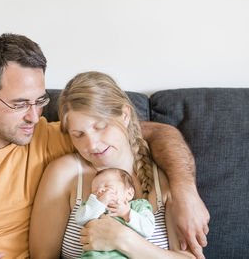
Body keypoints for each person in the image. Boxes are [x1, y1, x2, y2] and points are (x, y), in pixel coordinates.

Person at [0, 34, 208, 259]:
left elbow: (151, 133)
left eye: (40, 100)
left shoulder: (57, 136)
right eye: (19, 104)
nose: (33, 116)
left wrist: (185, 190)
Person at [29, 71, 207, 259]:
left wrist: (124, 240)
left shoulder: (165, 175)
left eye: (100, 127)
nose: (92, 145)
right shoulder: (64, 174)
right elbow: (41, 257)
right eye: (79, 135)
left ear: (124, 114)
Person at [75, 167, 155, 258]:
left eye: (108, 187)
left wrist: (127, 213)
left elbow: (148, 229)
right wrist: (98, 203)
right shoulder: (92, 205)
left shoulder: (137, 206)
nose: (100, 191)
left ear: (129, 193)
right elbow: (80, 219)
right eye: (95, 191)